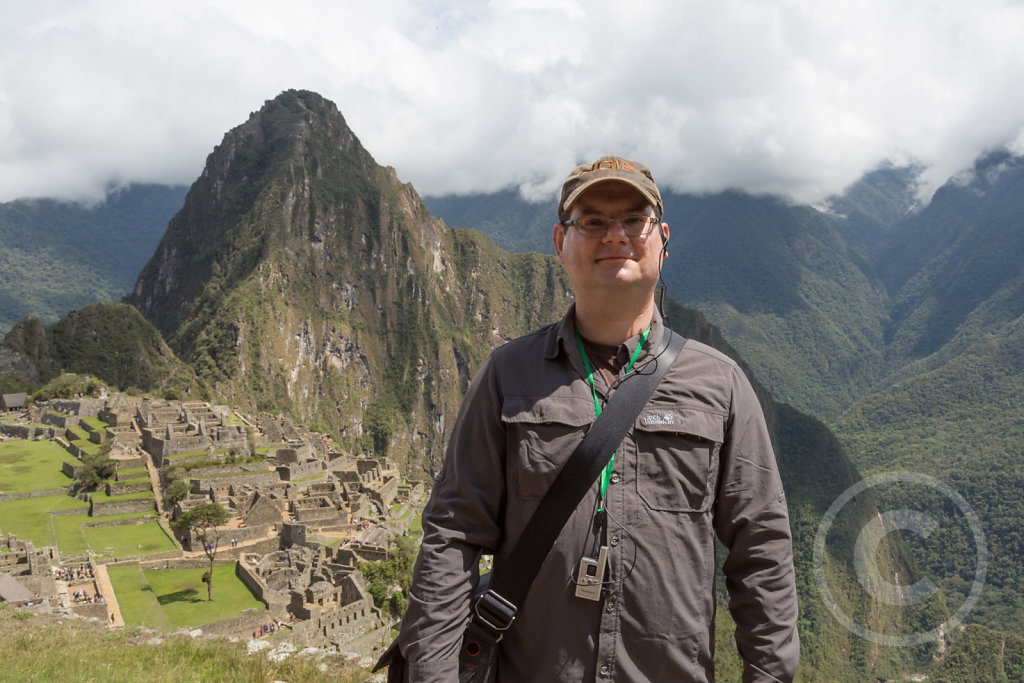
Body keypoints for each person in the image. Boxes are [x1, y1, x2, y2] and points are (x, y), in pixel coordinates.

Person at [397, 156, 799, 681]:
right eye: (593, 221)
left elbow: (761, 546)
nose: (616, 235)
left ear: (663, 238)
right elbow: (453, 533)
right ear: (561, 242)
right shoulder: (508, 376)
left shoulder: (719, 384)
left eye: (635, 220)